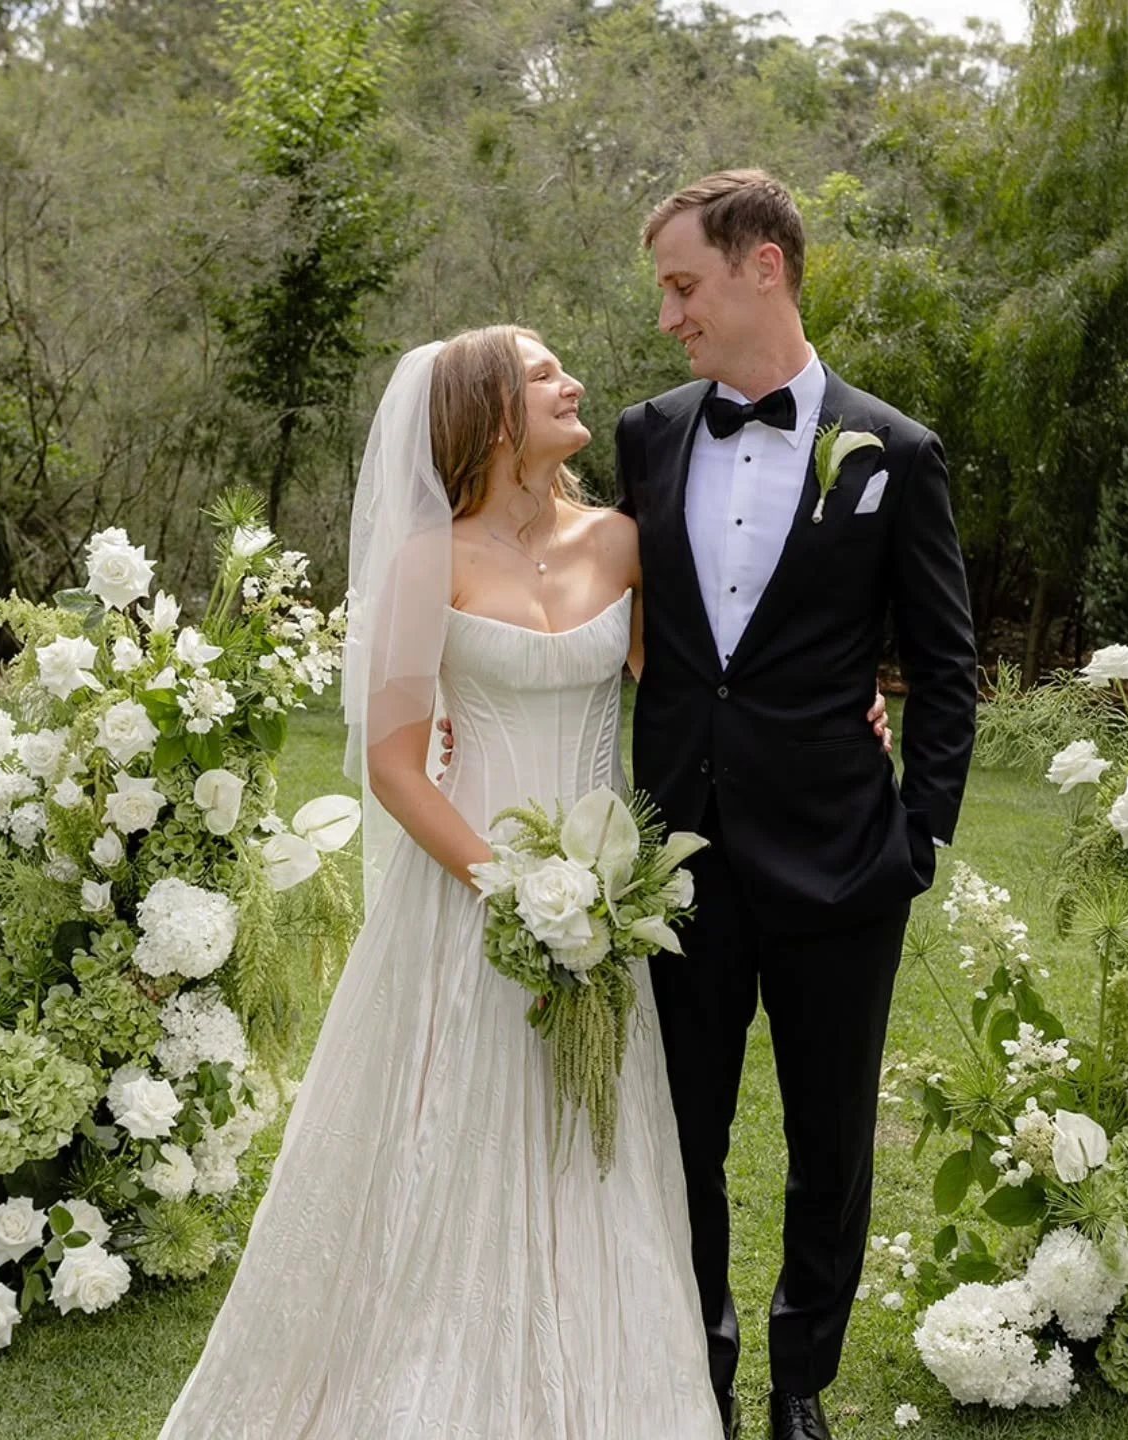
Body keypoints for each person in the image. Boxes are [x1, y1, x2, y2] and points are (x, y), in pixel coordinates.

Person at [156, 326, 723, 1438]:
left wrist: (837, 703)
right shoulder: (434, 557)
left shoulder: (622, 541)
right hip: (471, 900)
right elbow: (393, 762)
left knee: (592, 1155)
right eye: (545, 373)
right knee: (450, 1147)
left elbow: (698, 694)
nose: (575, 383)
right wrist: (507, 889)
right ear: (492, 414)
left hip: (603, 909)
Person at [617, 171, 976, 1440]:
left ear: (763, 266)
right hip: (680, 867)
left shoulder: (899, 452)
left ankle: (800, 1382)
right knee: (683, 1138)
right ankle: (698, 1366)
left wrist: (917, 836)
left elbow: (944, 666)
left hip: (841, 866)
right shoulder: (647, 436)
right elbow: (613, 617)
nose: (670, 317)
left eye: (683, 285)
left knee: (832, 1148)